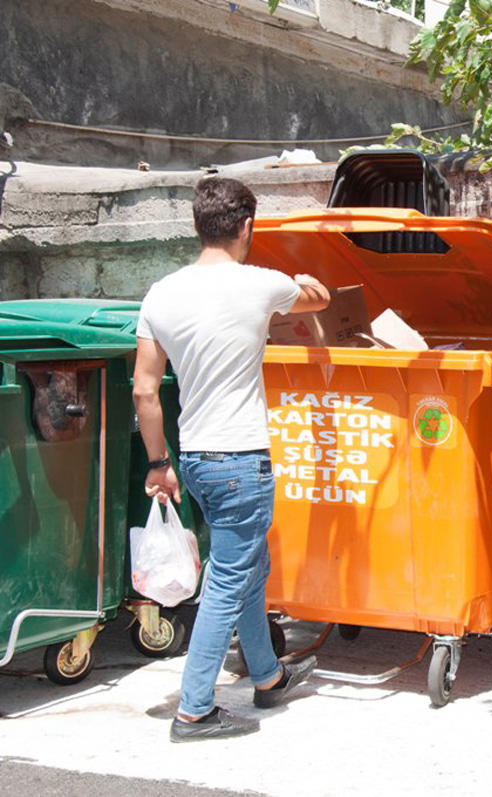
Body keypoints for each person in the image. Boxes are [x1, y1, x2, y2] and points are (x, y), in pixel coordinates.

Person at [133, 176, 330, 742]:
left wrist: (157, 463)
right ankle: (194, 709)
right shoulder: (262, 285)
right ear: (247, 227)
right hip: (241, 458)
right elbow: (316, 300)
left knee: (248, 567)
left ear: (198, 225)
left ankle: (267, 676)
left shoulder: (161, 293)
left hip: (194, 457)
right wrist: (307, 285)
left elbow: (145, 391)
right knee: (227, 578)